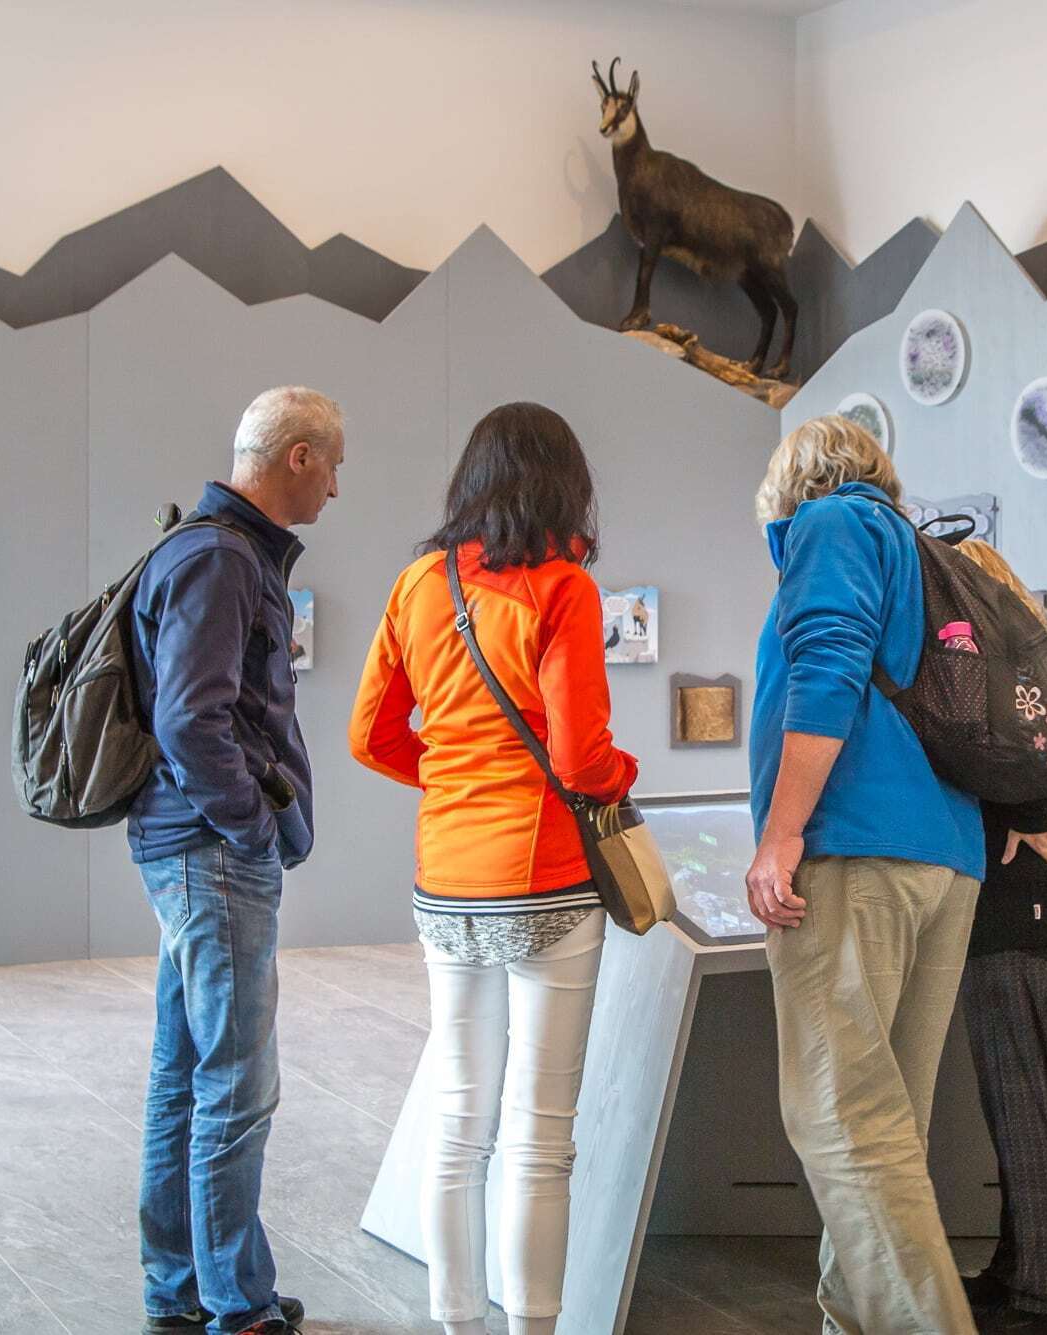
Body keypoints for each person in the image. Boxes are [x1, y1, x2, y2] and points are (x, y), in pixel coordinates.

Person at [349, 402, 638, 1335]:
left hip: (446, 881)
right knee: (539, 1137)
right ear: (564, 484)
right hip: (546, 878)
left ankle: (457, 1324)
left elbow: (370, 734)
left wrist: (448, 775)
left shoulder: (416, 586)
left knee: (458, 1126)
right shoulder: (563, 588)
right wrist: (622, 778)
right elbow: (585, 760)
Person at [743, 414, 986, 1335]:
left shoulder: (834, 524)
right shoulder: (927, 553)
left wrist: (781, 834)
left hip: (856, 846)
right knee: (887, 1128)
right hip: (943, 855)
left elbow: (828, 669)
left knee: (840, 1116)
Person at [127, 386, 344, 1335]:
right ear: (296, 457)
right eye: (333, 464)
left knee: (188, 1072)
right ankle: (234, 1304)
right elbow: (190, 719)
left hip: (188, 848)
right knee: (236, 1083)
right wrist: (251, 823)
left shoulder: (209, 549)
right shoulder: (222, 558)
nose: (338, 488)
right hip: (212, 853)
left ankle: (183, 1288)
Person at [950, 540, 1047, 1335]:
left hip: (1026, 906)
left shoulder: (1006, 671)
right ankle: (1017, 1271)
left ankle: (1044, 1302)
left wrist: (1020, 811)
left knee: (1028, 1114)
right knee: (1029, 1105)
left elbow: (1011, 767)